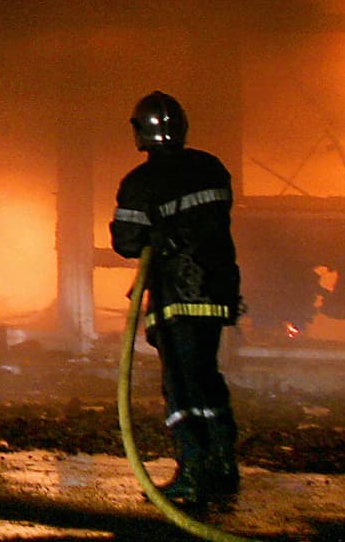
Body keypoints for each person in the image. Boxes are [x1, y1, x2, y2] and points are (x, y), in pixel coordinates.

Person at [110, 90, 243, 506]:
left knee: (181, 386)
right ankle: (223, 466)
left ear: (140, 133)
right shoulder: (212, 168)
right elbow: (212, 221)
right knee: (207, 376)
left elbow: (127, 241)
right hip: (217, 291)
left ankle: (193, 471)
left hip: (175, 295)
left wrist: (155, 235)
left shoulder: (139, 182)